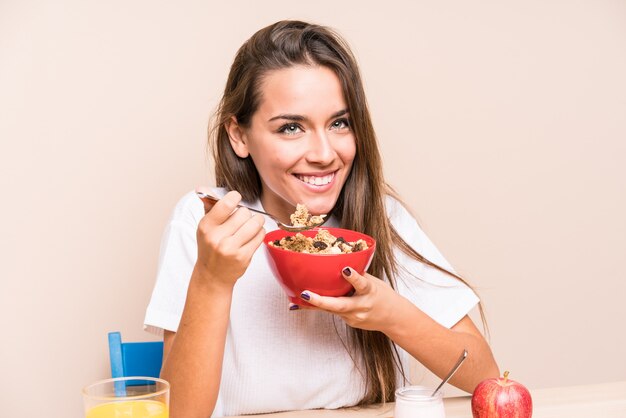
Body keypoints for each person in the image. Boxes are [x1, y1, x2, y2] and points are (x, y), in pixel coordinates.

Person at [144, 20, 499, 417]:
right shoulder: (205, 221)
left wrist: (392, 316)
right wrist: (212, 280)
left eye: (339, 123)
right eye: (292, 127)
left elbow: (487, 375)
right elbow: (180, 414)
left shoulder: (380, 218)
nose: (324, 153)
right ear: (239, 136)